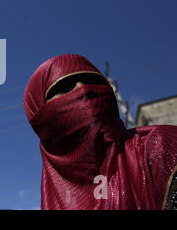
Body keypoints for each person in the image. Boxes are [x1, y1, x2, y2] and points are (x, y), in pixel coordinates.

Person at [23, 54, 177, 210]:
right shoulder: (52, 200)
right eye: (64, 87)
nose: (82, 89)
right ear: (40, 118)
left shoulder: (161, 146)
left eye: (93, 82)